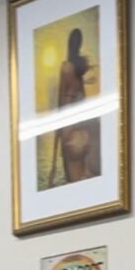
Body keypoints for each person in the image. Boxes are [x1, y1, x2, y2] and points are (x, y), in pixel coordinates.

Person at [48, 28, 97, 186]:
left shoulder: (66, 67)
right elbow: (83, 94)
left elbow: (61, 96)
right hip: (80, 115)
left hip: (67, 114)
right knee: (81, 162)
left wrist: (58, 124)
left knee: (69, 162)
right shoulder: (78, 67)